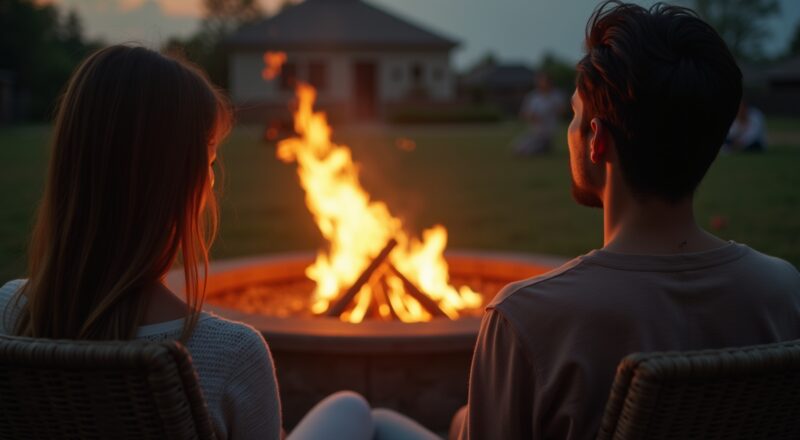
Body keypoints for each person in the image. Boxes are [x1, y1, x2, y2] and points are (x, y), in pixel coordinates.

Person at [0, 44, 443, 440]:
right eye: (210, 160)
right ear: (181, 186)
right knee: (360, 413)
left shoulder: (8, 313)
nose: (212, 181)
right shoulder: (224, 354)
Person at [456, 2, 800, 439]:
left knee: (354, 412)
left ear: (597, 140)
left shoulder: (526, 318)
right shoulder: (783, 293)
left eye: (575, 116)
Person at [513, 72, 566, 156]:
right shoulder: (533, 96)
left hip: (549, 131)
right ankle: (545, 147)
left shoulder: (556, 95)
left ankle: (545, 146)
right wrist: (531, 116)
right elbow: (523, 114)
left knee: (529, 150)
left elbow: (562, 111)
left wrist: (553, 110)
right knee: (518, 148)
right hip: (535, 131)